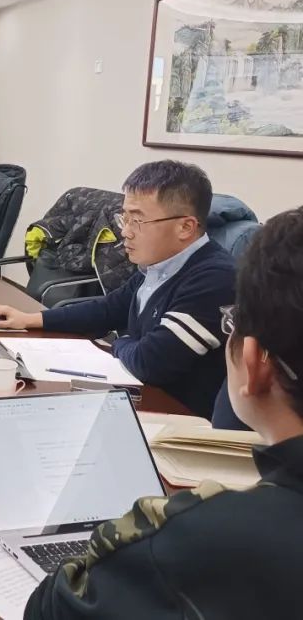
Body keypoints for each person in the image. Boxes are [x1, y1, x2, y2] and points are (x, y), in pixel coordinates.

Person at [24, 207, 303, 619]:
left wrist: (148, 529)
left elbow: (51, 607)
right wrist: (38, 318)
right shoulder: (153, 270)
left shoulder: (204, 534)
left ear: (255, 362)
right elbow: (111, 307)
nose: (126, 232)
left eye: (230, 323)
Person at [0, 160, 235, 421]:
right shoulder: (160, 265)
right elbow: (109, 309)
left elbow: (150, 363)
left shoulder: (214, 279)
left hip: (178, 422)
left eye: (137, 220)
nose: (125, 232)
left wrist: (117, 343)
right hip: (137, 399)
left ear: (186, 227)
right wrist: (30, 319)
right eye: (124, 218)